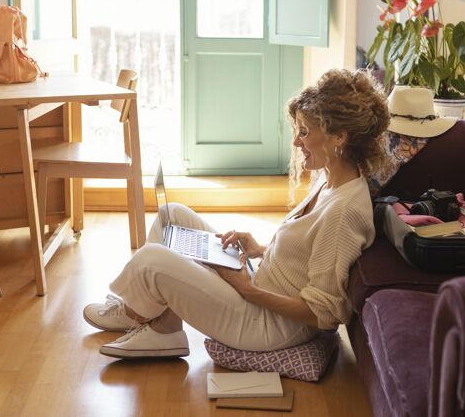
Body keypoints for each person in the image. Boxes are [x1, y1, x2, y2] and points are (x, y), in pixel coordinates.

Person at [82, 69, 391, 358]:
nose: (297, 142)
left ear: (340, 137)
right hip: (261, 288)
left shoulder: (344, 210)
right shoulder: (331, 180)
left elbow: (324, 315)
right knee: (170, 216)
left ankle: (138, 311)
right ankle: (163, 327)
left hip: (270, 326)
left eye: (305, 132)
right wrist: (260, 249)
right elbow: (310, 257)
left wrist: (247, 289)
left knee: (153, 258)